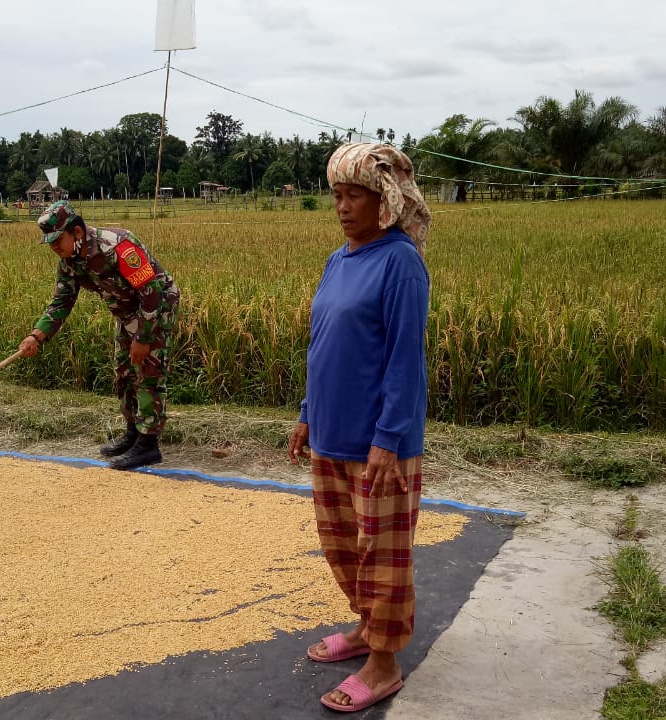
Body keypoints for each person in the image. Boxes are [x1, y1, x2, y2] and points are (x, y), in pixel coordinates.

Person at [286, 142, 432, 713]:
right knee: (344, 547)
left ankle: (384, 664)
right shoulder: (339, 259)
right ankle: (366, 631)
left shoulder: (399, 262)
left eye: (354, 195)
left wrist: (389, 438)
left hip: (379, 444)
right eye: (337, 196)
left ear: (386, 201)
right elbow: (324, 345)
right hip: (330, 433)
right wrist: (305, 414)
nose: (342, 207)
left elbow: (404, 360)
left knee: (384, 556)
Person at [17, 200, 181, 470]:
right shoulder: (69, 262)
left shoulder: (116, 245)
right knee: (123, 372)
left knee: (147, 372)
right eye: (49, 242)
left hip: (156, 308)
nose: (54, 247)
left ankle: (148, 445)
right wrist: (37, 336)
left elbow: (151, 292)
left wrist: (143, 339)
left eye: (58, 239)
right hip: (127, 313)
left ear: (77, 232)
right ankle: (133, 434)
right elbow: (61, 303)